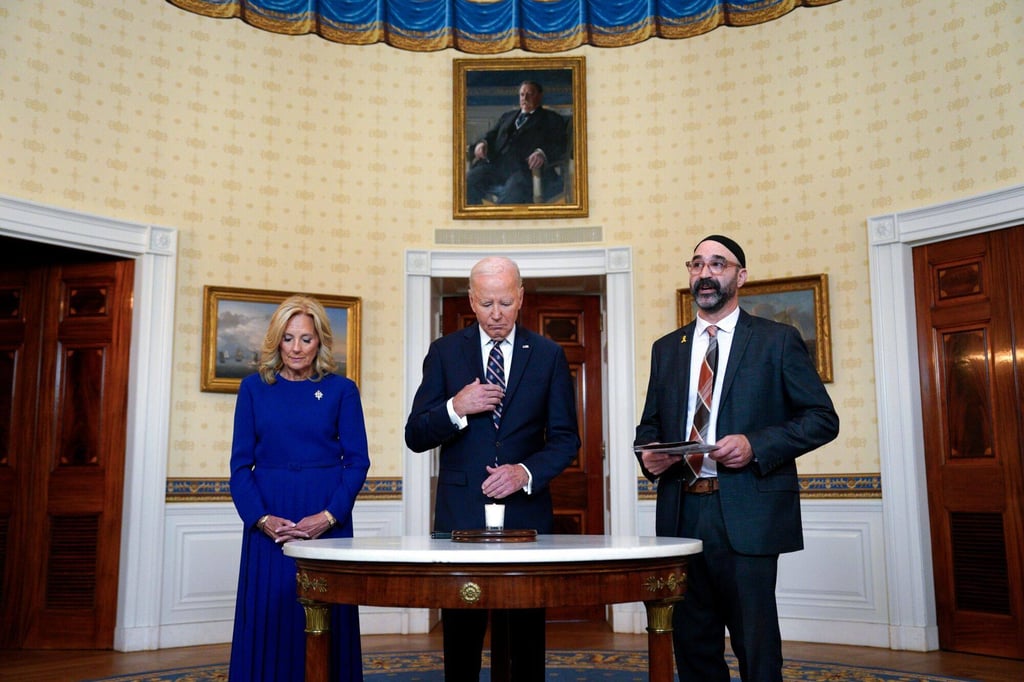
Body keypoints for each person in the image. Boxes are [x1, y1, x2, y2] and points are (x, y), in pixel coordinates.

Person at [634, 235, 840, 682]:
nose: (705, 273)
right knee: (692, 643)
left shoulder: (777, 340)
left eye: (718, 264)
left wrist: (755, 444)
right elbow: (649, 426)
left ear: (740, 276)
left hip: (748, 514)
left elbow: (823, 419)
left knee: (756, 644)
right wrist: (648, 456)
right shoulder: (668, 347)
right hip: (682, 513)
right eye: (697, 264)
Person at [405, 256, 580, 681]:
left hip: (525, 515)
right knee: (461, 641)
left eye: (505, 302)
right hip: (460, 513)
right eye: (486, 304)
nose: (496, 314)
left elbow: (565, 439)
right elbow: (415, 435)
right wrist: (455, 407)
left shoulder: (548, 354)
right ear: (471, 300)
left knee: (525, 643)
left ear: (521, 297)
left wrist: (525, 472)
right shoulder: (445, 353)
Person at [228, 294, 370, 682]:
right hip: (268, 520)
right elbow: (240, 466)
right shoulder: (253, 389)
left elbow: (358, 462)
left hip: (327, 517)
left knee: (327, 616)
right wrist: (261, 519)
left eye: (306, 339)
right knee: (270, 614)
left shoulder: (343, 390)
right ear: (276, 340)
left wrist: (328, 517)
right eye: (288, 338)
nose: (296, 348)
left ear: (321, 342)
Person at [466, 80, 568, 205]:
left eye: (530, 94)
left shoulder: (551, 118)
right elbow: (492, 135)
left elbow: (559, 144)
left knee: (513, 193)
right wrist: (483, 143)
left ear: (540, 96)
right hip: (496, 166)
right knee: (468, 182)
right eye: (522, 95)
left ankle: (500, 222)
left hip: (526, 170)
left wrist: (541, 153)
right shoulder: (507, 116)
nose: (525, 98)